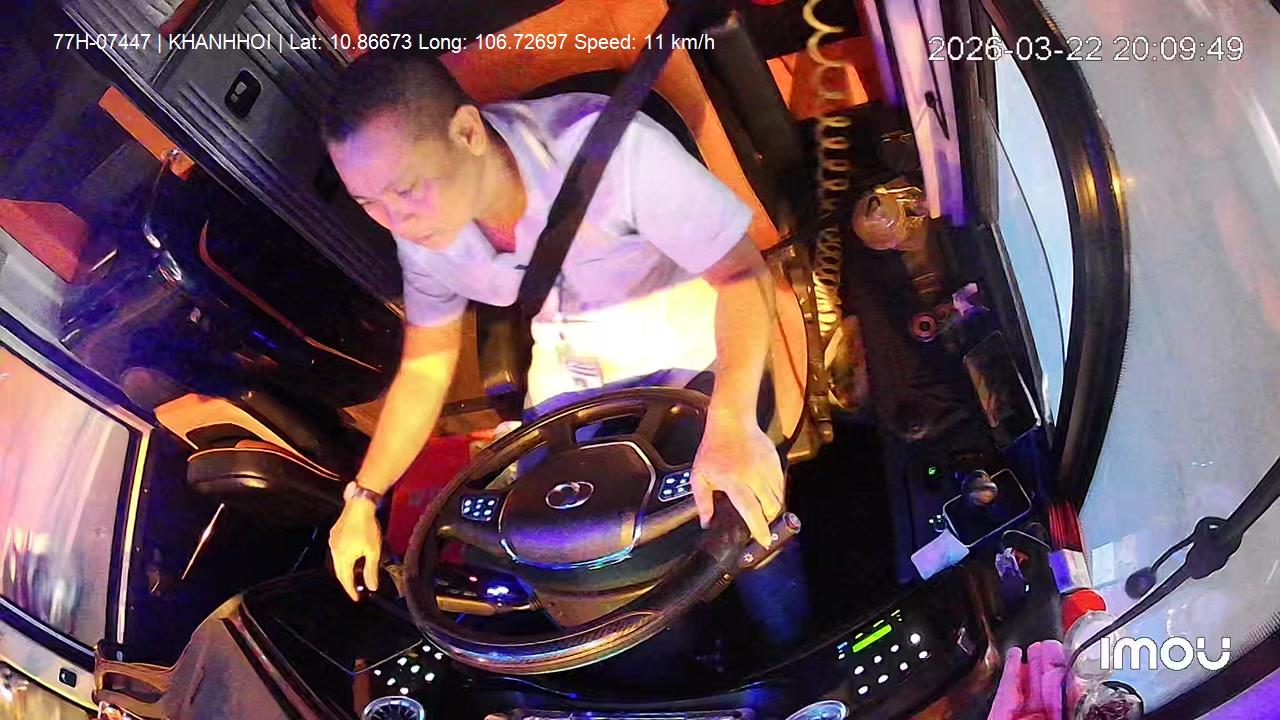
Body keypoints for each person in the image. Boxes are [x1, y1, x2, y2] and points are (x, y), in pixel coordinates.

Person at [321, 50, 785, 601]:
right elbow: (426, 365)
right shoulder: (420, 229)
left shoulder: (613, 152)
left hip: (688, 364)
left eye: (405, 190)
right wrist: (363, 498)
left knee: (724, 532)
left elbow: (742, 276)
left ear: (467, 132)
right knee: (549, 566)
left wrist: (732, 423)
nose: (396, 222)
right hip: (566, 394)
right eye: (368, 203)